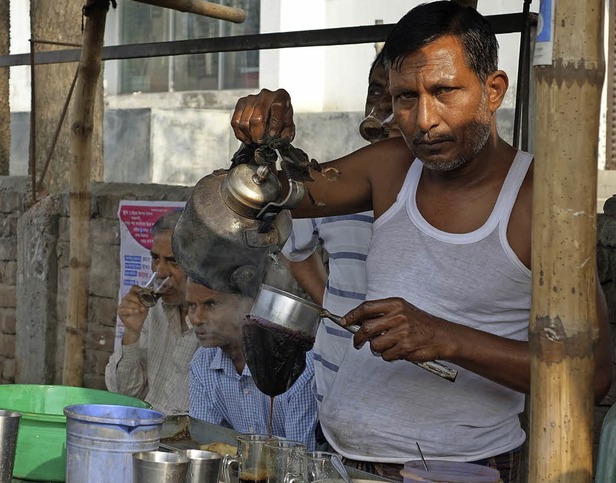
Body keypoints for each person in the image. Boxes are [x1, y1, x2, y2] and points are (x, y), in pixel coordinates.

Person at [228, 2, 612, 481]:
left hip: (459, 467)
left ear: (493, 90)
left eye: (444, 91)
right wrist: (269, 141)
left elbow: (594, 375)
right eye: (405, 97)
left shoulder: (541, 201)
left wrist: (447, 338)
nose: (423, 119)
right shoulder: (391, 165)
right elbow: (273, 195)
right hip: (341, 458)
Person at [281, 52, 394, 410]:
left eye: (402, 96)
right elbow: (296, 254)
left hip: (408, 406)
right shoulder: (333, 183)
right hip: (333, 390)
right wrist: (333, 308)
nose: (385, 107)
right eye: (376, 93)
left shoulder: (446, 193)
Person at [186, 280, 318, 450]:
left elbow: (299, 459)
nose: (196, 319)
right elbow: (205, 446)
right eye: (191, 306)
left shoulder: (297, 367)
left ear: (249, 305)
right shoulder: (202, 363)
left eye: (211, 304)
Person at [105, 210, 198, 415]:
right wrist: (131, 333)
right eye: (155, 258)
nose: (160, 271)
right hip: (143, 429)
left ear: (198, 264)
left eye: (173, 261)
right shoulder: (152, 310)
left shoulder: (213, 323)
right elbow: (125, 395)